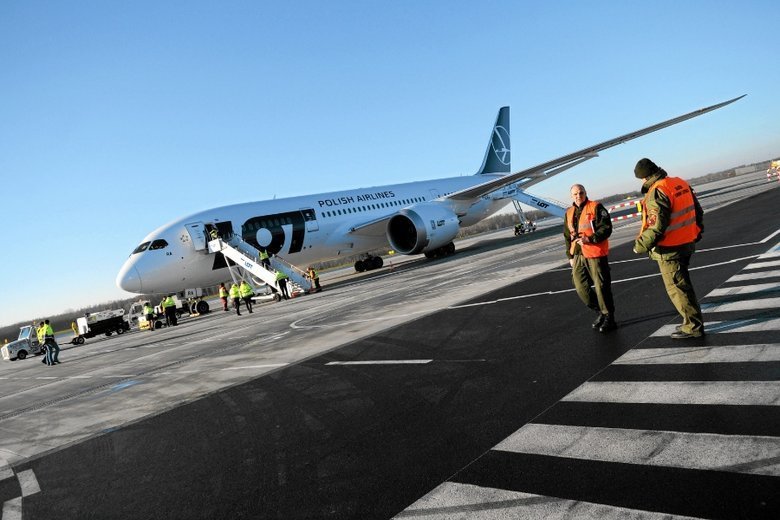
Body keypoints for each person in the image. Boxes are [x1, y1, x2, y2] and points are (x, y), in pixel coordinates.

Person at [633, 158, 705, 339]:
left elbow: (656, 226)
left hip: (670, 249)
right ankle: (692, 322)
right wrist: (696, 232)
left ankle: (693, 326)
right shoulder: (679, 182)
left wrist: (639, 246)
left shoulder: (657, 191)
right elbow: (698, 211)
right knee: (683, 285)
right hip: (687, 242)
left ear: (645, 177)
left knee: (678, 289)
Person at [563, 184, 617, 333]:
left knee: (601, 287)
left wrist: (590, 239)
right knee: (581, 288)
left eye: (580, 193)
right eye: (575, 194)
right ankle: (600, 311)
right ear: (571, 196)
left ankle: (609, 317)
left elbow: (606, 228)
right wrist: (570, 256)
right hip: (578, 255)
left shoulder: (596, 207)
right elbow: (567, 236)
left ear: (585, 193)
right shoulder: (569, 213)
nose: (578, 196)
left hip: (595, 252)